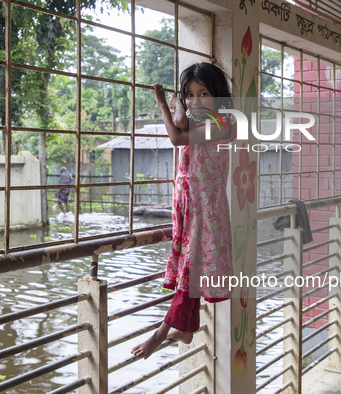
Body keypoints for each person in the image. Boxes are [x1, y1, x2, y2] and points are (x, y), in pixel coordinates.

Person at [131, 63, 235, 359]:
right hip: (188, 205)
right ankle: (186, 330)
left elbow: (176, 136)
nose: (196, 101)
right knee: (191, 270)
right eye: (190, 95)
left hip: (206, 210)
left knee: (190, 272)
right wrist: (177, 106)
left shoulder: (225, 123)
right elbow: (181, 124)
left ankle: (161, 333)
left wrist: (167, 103)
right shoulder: (201, 122)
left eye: (204, 93)